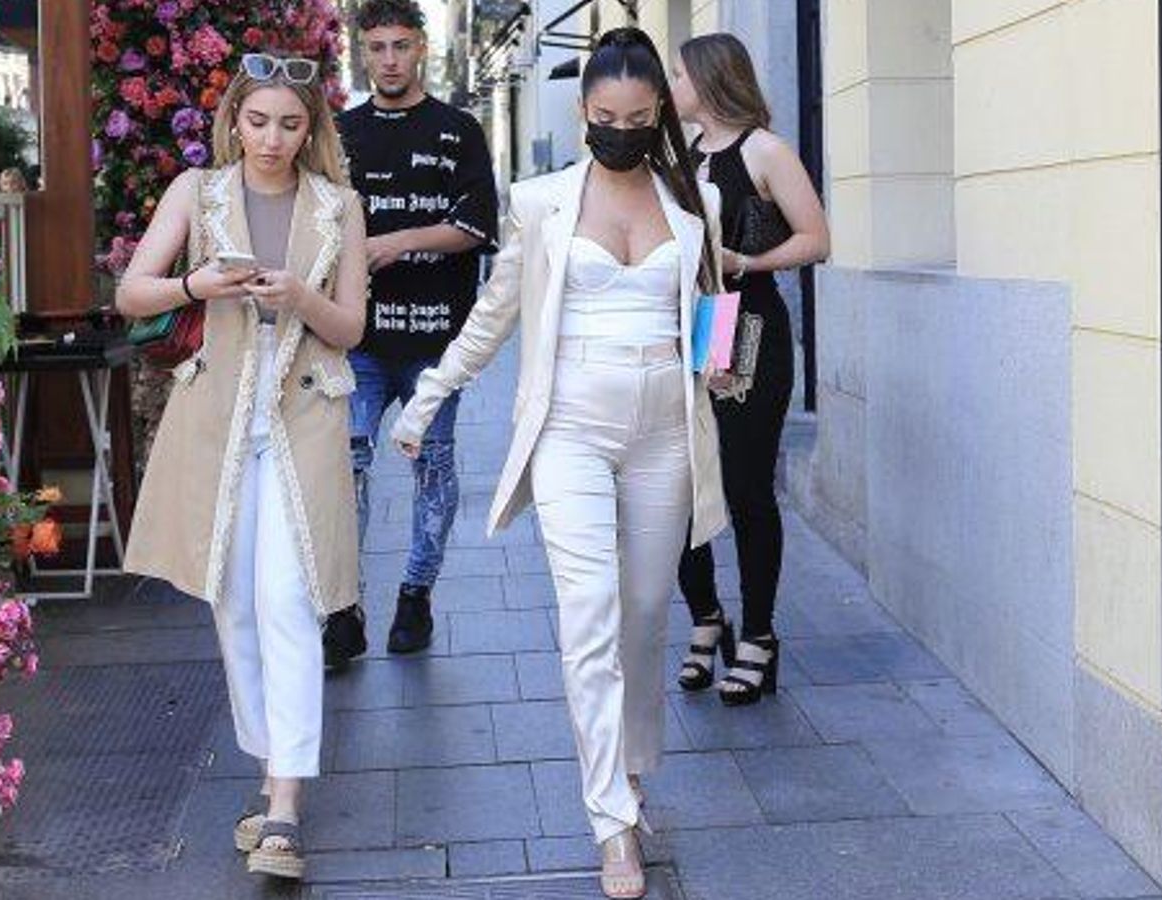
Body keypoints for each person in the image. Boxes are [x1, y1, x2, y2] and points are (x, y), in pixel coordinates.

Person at [390, 28, 727, 900]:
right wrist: (429, 398)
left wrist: (717, 358)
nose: (620, 128)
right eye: (606, 116)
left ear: (658, 116)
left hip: (664, 430)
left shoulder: (693, 206)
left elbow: (710, 309)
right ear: (584, 112)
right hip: (572, 427)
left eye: (638, 117)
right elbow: (496, 313)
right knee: (589, 618)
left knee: (646, 616)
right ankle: (610, 822)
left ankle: (635, 771)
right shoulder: (541, 203)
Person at [117, 52, 368, 882]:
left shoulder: (339, 206)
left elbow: (353, 328)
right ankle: (270, 772)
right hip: (217, 423)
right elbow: (132, 293)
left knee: (291, 602)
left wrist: (298, 298)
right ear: (233, 121)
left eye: (290, 124)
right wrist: (201, 284)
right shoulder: (198, 193)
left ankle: (287, 805)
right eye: (258, 121)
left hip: (303, 419)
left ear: (312, 129)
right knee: (235, 603)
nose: (272, 139)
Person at [327, 0, 499, 664]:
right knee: (346, 471)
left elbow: (477, 225)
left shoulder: (458, 129)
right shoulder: (340, 133)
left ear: (421, 47)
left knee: (433, 470)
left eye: (401, 45)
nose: (390, 59)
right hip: (358, 339)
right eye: (378, 48)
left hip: (435, 341)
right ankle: (344, 608)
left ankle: (415, 597)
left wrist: (393, 242)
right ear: (360, 52)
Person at [668, 33, 830, 705]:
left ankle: (759, 635)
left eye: (677, 73)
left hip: (746, 324)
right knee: (677, 489)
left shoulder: (764, 150)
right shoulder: (673, 157)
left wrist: (747, 262)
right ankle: (708, 619)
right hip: (682, 329)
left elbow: (817, 239)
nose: (669, 85)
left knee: (744, 485)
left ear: (707, 80)